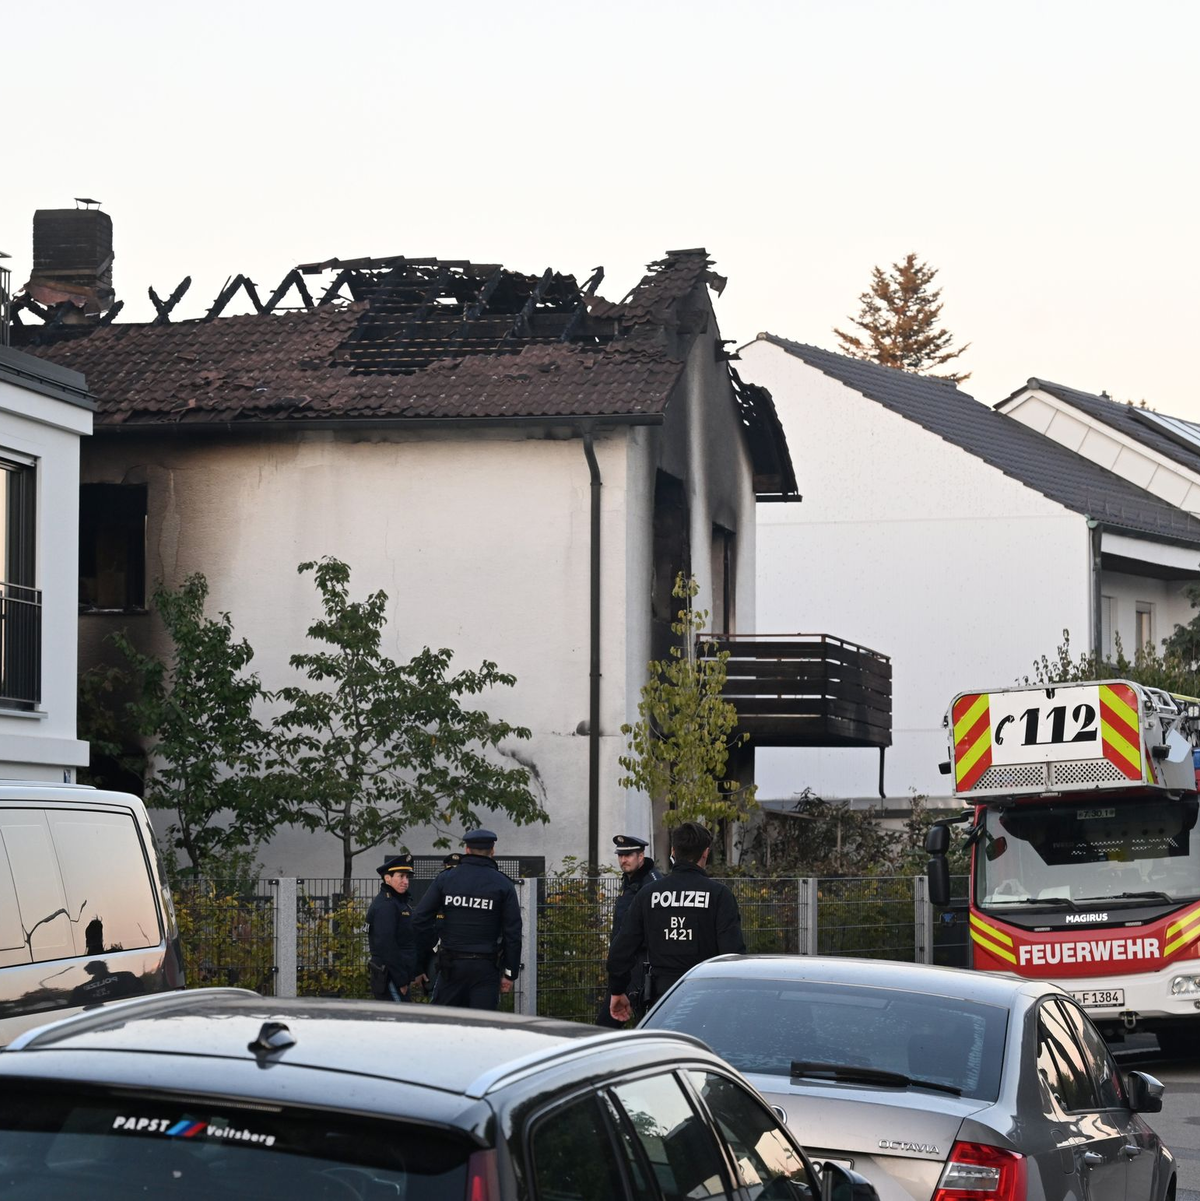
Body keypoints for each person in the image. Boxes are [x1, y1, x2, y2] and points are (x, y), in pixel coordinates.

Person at [607, 821, 744, 1022]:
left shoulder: (648, 894)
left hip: (662, 1001)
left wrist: (617, 990)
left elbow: (621, 949)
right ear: (705, 853)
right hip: (708, 998)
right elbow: (732, 955)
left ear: (673, 850)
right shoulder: (719, 895)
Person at [414, 829, 521, 1010]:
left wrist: (430, 951)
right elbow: (513, 933)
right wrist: (509, 974)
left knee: (441, 1024)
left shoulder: (446, 879)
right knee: (482, 1027)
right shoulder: (503, 884)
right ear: (492, 851)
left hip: (451, 966)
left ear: (467, 849)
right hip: (485, 969)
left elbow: (419, 919)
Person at [595, 833, 664, 1027]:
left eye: (629, 855)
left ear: (641, 856)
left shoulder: (652, 884)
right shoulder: (631, 881)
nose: (623, 860)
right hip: (626, 965)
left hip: (642, 966)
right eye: (620, 855)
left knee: (610, 1025)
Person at [366, 853, 422, 1003]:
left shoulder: (398, 902)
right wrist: (401, 980)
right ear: (387, 878)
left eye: (407, 877)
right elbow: (386, 945)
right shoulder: (387, 905)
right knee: (400, 1021)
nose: (405, 881)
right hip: (390, 977)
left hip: (396, 976)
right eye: (401, 876)